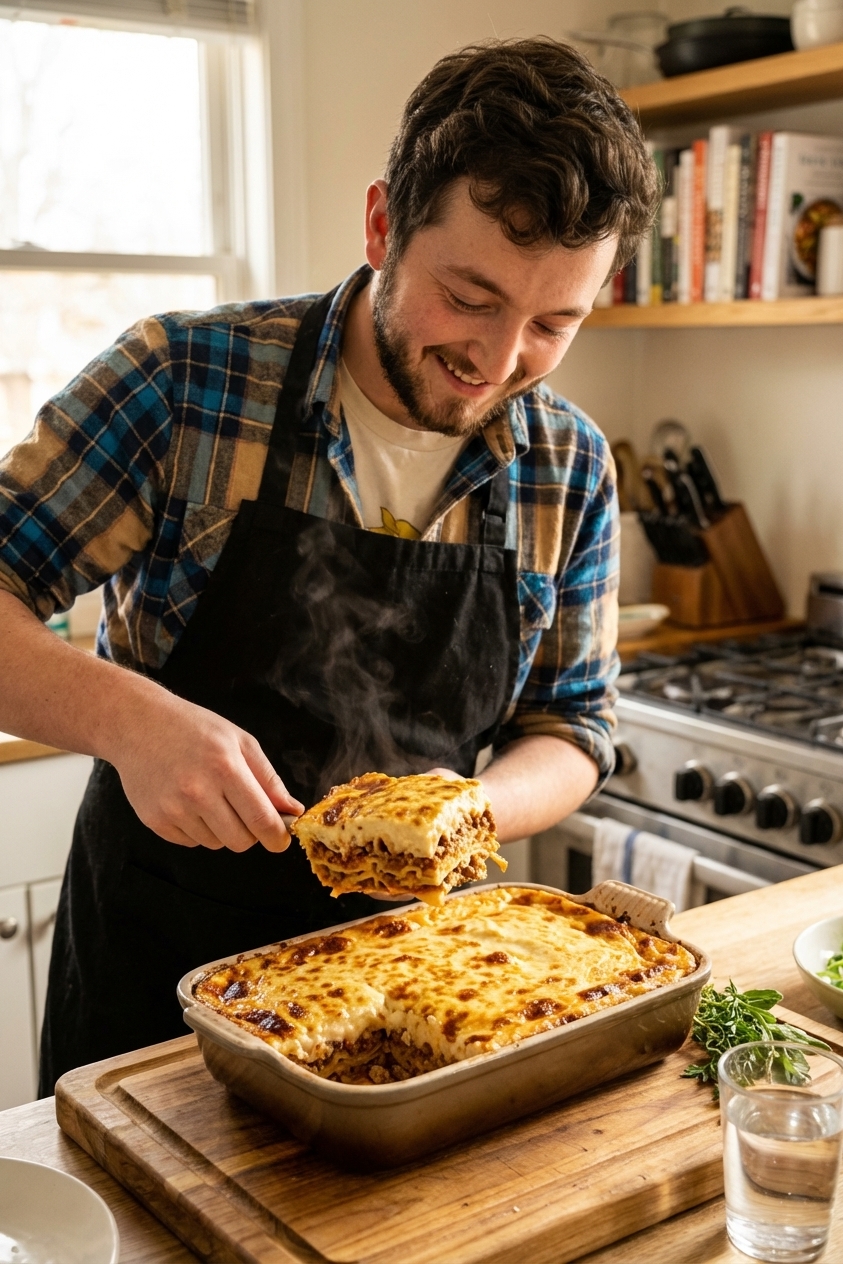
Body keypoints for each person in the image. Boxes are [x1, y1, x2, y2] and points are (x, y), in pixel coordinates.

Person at [0, 36, 658, 1094]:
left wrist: (473, 809)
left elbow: (574, 727)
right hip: (153, 986)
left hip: (424, 990)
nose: (498, 362)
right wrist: (129, 723)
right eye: (472, 298)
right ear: (382, 225)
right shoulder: (182, 383)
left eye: (553, 323)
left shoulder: (570, 466)